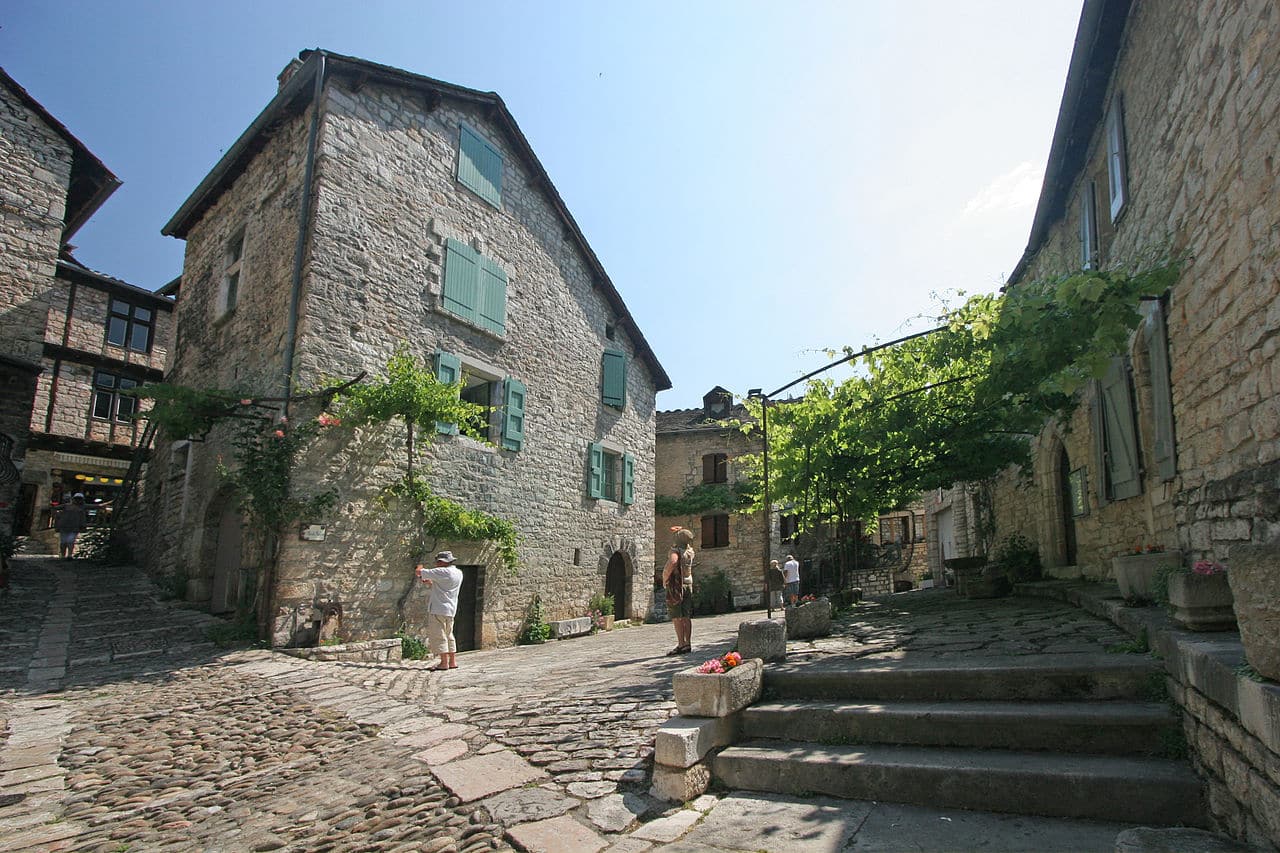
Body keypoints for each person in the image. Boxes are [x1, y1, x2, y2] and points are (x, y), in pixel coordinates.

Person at [415, 550, 463, 671]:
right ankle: (452, 661)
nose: (436, 564)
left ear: (442, 562)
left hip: (438, 609)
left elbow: (419, 572)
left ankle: (443, 663)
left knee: (439, 635)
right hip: (451, 609)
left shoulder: (442, 571)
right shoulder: (458, 572)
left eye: (437, 562)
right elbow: (444, 587)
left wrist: (419, 563)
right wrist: (431, 583)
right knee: (449, 635)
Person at [663, 527, 695, 656]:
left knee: (676, 616)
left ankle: (681, 644)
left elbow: (673, 562)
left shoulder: (675, 551)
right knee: (686, 616)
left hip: (677, 585)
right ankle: (688, 643)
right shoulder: (690, 551)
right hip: (688, 584)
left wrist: (665, 577)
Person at [55, 493, 88, 560]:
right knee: (63, 542)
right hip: (64, 526)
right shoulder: (66, 506)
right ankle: (63, 555)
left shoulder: (82, 507)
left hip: (74, 527)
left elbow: (98, 506)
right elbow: (55, 507)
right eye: (76, 499)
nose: (78, 500)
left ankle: (69, 555)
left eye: (79, 499)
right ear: (73, 499)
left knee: (70, 541)